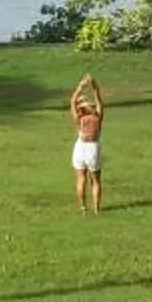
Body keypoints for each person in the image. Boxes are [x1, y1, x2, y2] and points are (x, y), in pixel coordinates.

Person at [69, 75, 105, 213]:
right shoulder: (97, 117)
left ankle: (83, 207)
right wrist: (94, 85)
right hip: (93, 148)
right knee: (95, 180)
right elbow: (98, 99)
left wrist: (80, 87)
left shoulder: (80, 119)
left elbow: (72, 101)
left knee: (81, 178)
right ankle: (96, 208)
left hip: (80, 147)